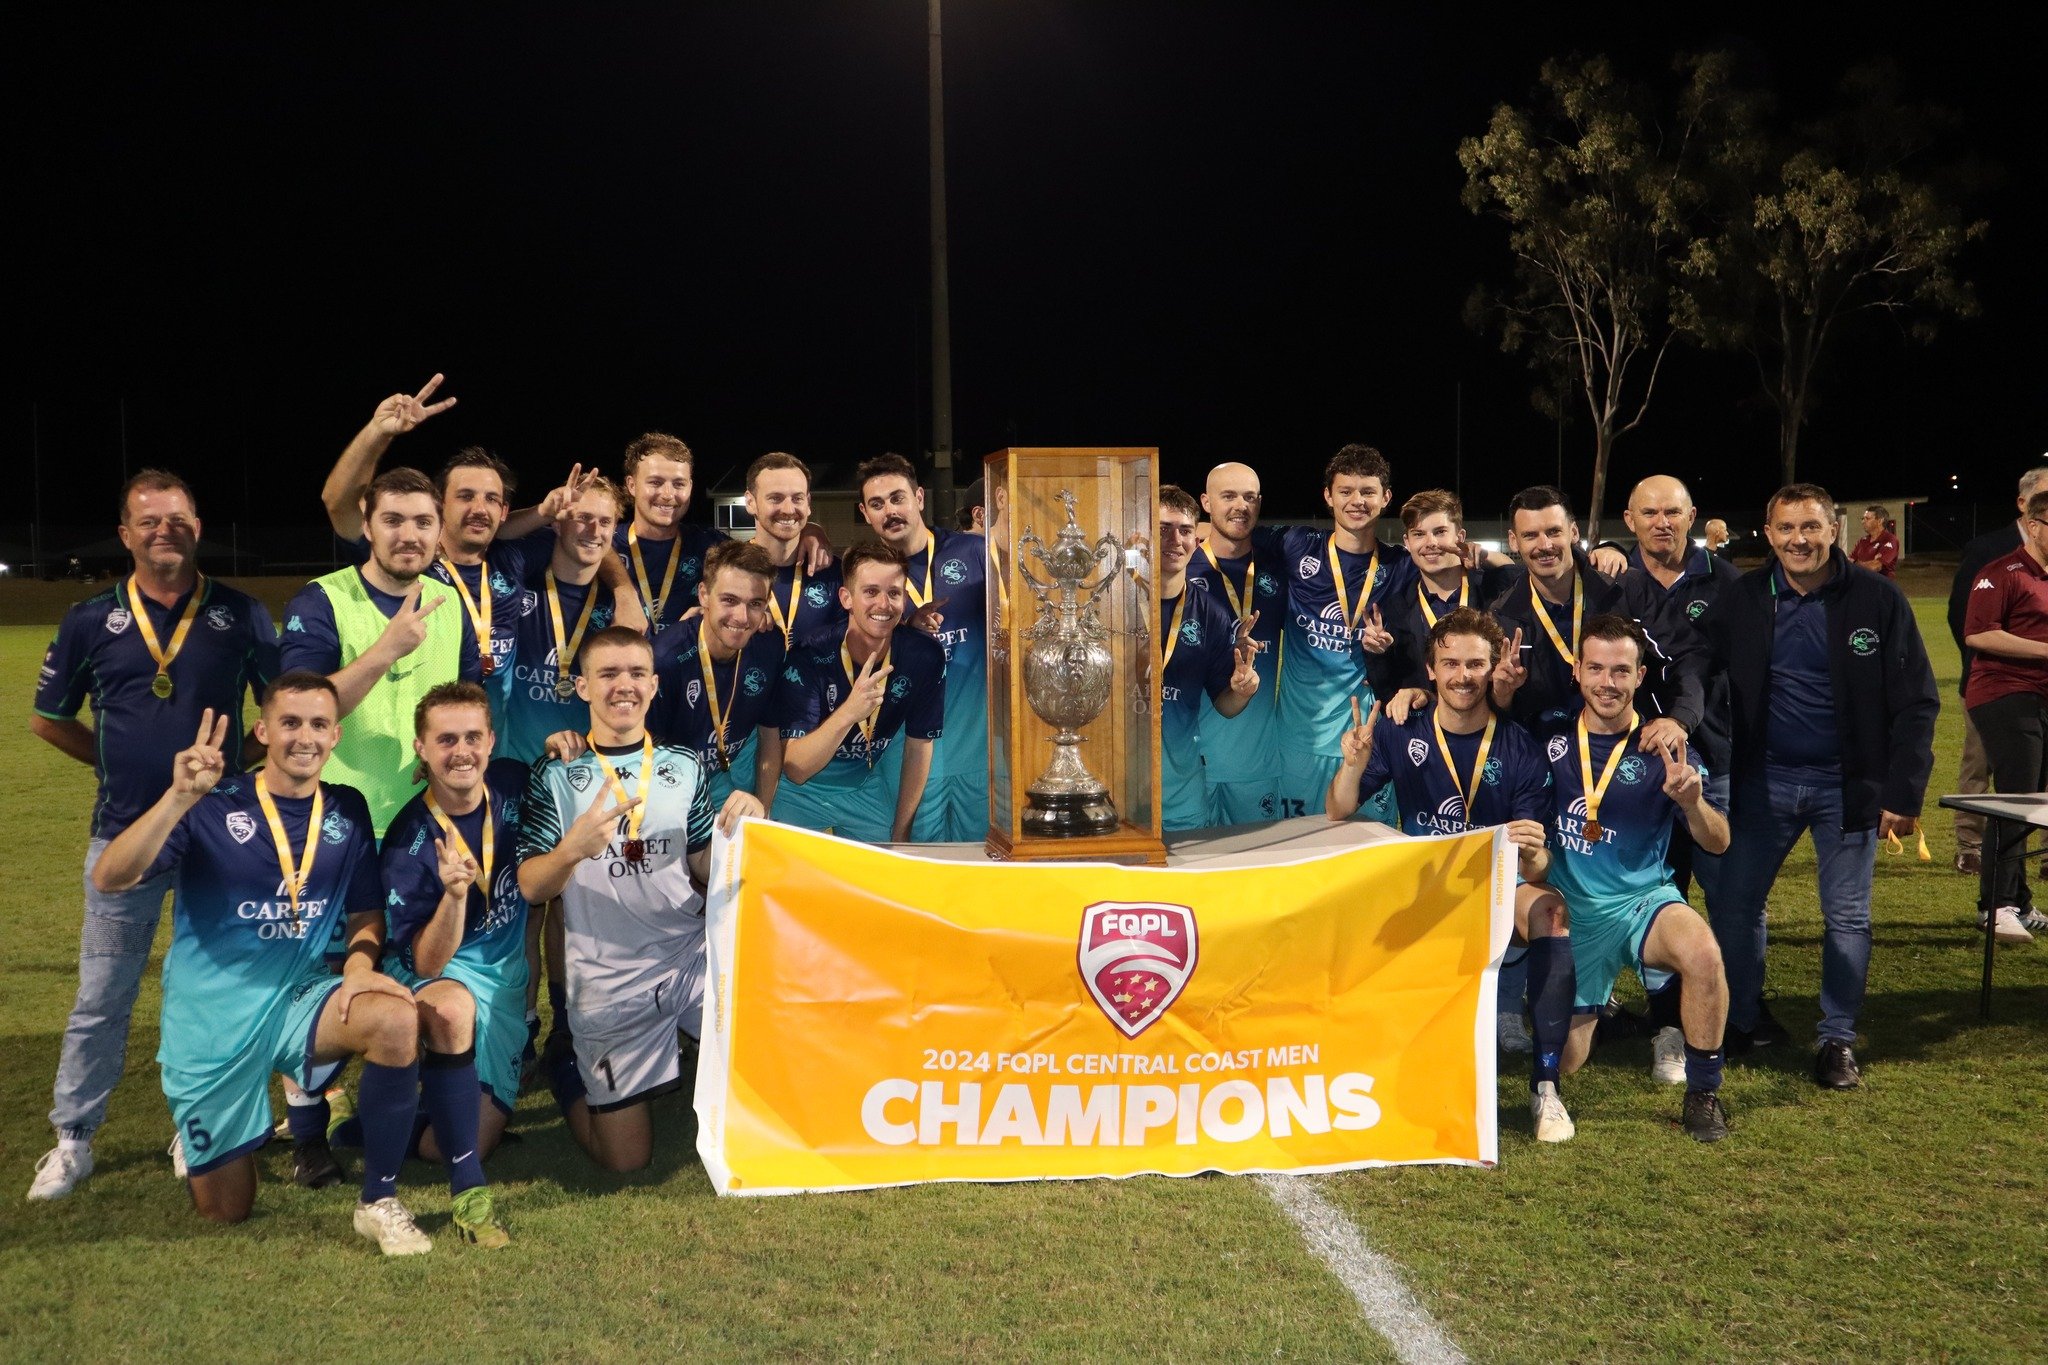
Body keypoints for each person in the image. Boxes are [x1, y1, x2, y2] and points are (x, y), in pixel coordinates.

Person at [89, 675, 439, 1251]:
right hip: (212, 1023)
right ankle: (224, 1132)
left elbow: (365, 909)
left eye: (319, 725)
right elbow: (111, 877)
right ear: (263, 731)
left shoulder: (345, 810)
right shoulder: (211, 804)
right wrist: (178, 797)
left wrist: (357, 966)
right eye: (291, 723)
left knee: (395, 1018)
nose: (305, 737)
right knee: (226, 1210)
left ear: (336, 736)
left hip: (297, 1001)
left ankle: (379, 1198)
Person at [27, 471, 280, 1202]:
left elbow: (283, 711)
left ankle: (196, 1124)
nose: (163, 530)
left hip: (220, 840)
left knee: (211, 995)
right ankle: (73, 1137)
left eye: (177, 518)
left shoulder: (240, 612)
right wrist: (115, 770)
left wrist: (235, 767)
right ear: (126, 533)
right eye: (149, 521)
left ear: (199, 526)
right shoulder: (88, 617)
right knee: (103, 993)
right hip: (126, 836)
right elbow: (49, 717)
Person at [1701, 483, 1938, 1088]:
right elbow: (1699, 667)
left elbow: (1917, 703)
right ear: (1769, 532)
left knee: (1848, 916)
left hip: (1847, 787)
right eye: (1786, 529)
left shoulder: (1878, 599)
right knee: (1734, 907)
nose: (1798, 540)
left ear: (1834, 529)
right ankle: (1745, 1019)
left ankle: (1836, 1040)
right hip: (1764, 782)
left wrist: (1902, 792)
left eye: (1810, 527)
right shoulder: (1747, 596)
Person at [1325, 608, 1582, 1137]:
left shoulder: (1521, 748)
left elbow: (1537, 866)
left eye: (1475, 664)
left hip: (1494, 887)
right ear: (1430, 669)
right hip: (1424, 887)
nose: (1463, 676)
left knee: (1551, 911)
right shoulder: (1400, 730)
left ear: (1493, 670)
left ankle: (1546, 1089)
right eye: (1451, 664)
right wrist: (1352, 762)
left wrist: (1533, 853)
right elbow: (1337, 809)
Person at [517, 628, 761, 1171]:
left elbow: (700, 863)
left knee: (770, 1044)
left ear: (654, 685)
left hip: (688, 958)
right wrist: (570, 851)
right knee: (625, 1161)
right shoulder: (557, 774)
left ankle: (689, 1051)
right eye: (607, 674)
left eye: (635, 674)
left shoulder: (685, 764)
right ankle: (566, 1064)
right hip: (607, 981)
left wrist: (743, 828)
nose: (622, 685)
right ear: (581, 687)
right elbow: (533, 885)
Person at [1530, 614, 1736, 1142]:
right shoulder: (1546, 739)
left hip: (1644, 901)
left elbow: (1718, 841)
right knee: (1570, 1061)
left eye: (1621, 671)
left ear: (1640, 677)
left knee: (1703, 954)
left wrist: (1692, 805)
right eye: (1595, 668)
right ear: (1577, 671)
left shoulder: (1664, 747)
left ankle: (1704, 1094)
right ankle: (1606, 1007)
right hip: (1573, 910)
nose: (1607, 682)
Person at [377, 682, 531, 1247]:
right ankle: (400, 1100)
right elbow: (425, 961)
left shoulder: (515, 783)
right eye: (446, 740)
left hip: (507, 979)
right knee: (447, 1146)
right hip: (446, 975)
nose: (461, 751)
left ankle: (408, 1093)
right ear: (421, 748)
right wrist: (454, 897)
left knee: (450, 1137)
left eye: (472, 737)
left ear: (491, 741)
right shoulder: (408, 840)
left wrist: (568, 744)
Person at [283, 467, 476, 837]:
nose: (408, 536)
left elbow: (467, 703)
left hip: (427, 816)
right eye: (392, 521)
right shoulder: (322, 600)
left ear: (439, 533)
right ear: (367, 528)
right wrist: (386, 650)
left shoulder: (450, 602)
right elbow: (299, 713)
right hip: (335, 821)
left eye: (423, 522)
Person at [1489, 485, 1706, 756]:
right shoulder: (1503, 614)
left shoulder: (1625, 588)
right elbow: (1498, 709)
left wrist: (1679, 718)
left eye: (1554, 532)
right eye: (1530, 535)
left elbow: (1687, 655)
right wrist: (1501, 694)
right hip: (1545, 763)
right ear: (1513, 540)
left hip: (1629, 755)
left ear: (1574, 532)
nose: (1544, 546)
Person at [1269, 446, 1418, 819]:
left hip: (1367, 739)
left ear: (1385, 498)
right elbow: (1226, 539)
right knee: (1296, 855)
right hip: (1297, 740)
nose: (1357, 501)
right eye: (1346, 491)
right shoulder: (1296, 544)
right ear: (1328, 496)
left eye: (1367, 491)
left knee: (1363, 862)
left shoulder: (1401, 565)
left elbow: (1461, 568)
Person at [773, 542, 947, 843]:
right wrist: (850, 712)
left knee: (883, 878)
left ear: (905, 599)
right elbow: (796, 768)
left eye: (893, 593)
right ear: (846, 598)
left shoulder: (924, 656)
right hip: (799, 793)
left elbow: (918, 747)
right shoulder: (810, 653)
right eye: (870, 592)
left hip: (862, 788)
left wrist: (901, 834)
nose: (883, 604)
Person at [855, 453, 986, 841]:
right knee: (919, 871)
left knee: (982, 873)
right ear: (865, 513)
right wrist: (906, 633)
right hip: (906, 756)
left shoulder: (973, 552)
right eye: (877, 504)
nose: (890, 511)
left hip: (978, 753)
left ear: (919, 497)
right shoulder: (867, 573)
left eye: (898, 498)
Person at [1945, 467, 2048, 876]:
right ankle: (1969, 845)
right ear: (2026, 507)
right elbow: (1964, 619)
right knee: (1980, 766)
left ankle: (2038, 856)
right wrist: (1983, 665)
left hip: (2039, 689)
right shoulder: (1990, 549)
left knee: (2034, 772)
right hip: (1995, 682)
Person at [499, 477, 630, 765]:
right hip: (511, 774)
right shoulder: (516, 589)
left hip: (580, 777)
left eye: (605, 522)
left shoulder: (617, 610)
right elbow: (491, 534)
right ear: (557, 523)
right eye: (583, 518)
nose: (595, 531)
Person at [1152, 487, 1261, 830]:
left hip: (1180, 792)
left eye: (1184, 530)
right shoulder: (1114, 602)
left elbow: (1224, 705)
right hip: (1116, 790)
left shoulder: (1210, 612)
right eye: (1162, 528)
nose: (1175, 539)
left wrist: (1241, 691)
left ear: (1196, 540)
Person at [649, 540, 786, 808]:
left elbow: (770, 735)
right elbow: (641, 755)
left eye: (755, 603)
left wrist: (762, 808)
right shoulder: (664, 659)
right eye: (729, 600)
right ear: (703, 595)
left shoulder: (769, 645)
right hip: (666, 782)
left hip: (722, 778)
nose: (742, 617)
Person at [1187, 462, 1288, 824]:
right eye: (1227, 496)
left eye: (1249, 497)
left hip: (1256, 761)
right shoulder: (1181, 569)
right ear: (1206, 502)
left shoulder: (1279, 567)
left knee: (1257, 873)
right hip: (1190, 762)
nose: (1239, 506)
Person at [743, 452, 846, 651]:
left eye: (797, 498)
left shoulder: (834, 572)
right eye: (775, 498)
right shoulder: (730, 572)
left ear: (808, 503)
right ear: (750, 502)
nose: (788, 509)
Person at [1849, 506, 1900, 578]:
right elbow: (1849, 561)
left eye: (1867, 519)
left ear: (1880, 521)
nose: (1863, 521)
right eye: (1863, 518)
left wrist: (1856, 564)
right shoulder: (1862, 540)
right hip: (1863, 585)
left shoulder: (1890, 540)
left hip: (1881, 587)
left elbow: (1874, 567)